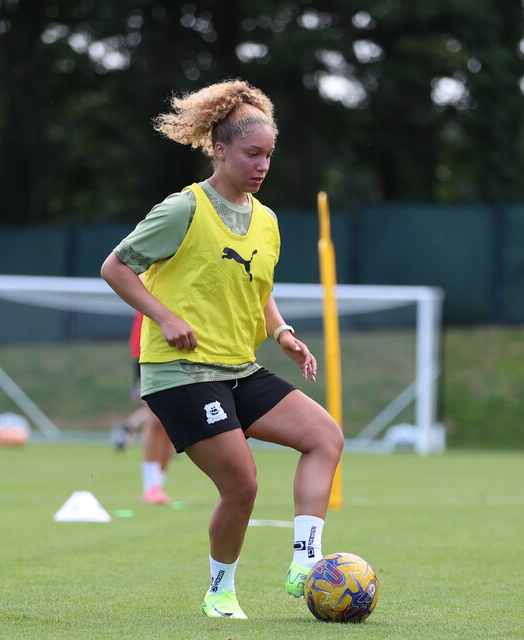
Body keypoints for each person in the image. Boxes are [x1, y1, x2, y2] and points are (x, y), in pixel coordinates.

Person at [100, 79, 344, 620]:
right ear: (219, 149)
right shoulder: (183, 209)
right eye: (252, 153)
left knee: (325, 436)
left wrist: (282, 333)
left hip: (239, 368)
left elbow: (259, 288)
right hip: (182, 372)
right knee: (242, 483)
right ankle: (220, 590)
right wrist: (165, 316)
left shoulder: (267, 220)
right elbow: (115, 268)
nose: (263, 165)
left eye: (269, 156)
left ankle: (306, 561)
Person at [115, 311, 176, 505]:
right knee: (155, 417)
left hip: (183, 353)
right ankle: (151, 487)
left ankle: (158, 486)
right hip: (149, 353)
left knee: (170, 422)